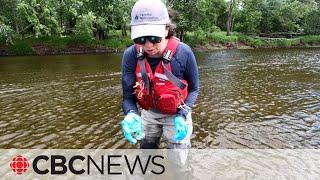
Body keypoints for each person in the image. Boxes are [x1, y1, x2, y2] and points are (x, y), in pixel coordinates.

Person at [121, 0, 200, 151]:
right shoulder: (130, 55)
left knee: (178, 163)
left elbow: (195, 88)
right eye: (141, 39)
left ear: (166, 29)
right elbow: (128, 98)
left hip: (177, 115)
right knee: (147, 156)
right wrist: (131, 114)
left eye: (154, 38)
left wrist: (183, 113)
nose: (148, 46)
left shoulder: (184, 53)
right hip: (149, 113)